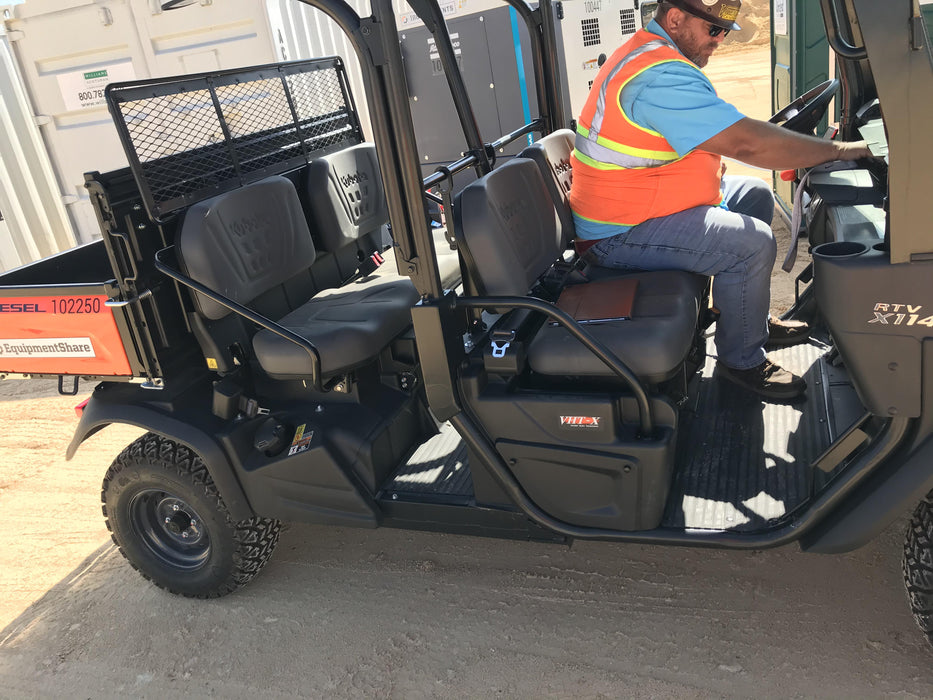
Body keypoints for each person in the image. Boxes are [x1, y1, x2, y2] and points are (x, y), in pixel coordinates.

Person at [568, 0, 874, 401]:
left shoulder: (658, 57)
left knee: (756, 195)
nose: (719, 41)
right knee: (751, 244)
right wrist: (838, 151)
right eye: (712, 30)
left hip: (648, 204)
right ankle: (742, 361)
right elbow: (744, 142)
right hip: (620, 231)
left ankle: (744, 317)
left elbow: (727, 134)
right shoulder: (656, 75)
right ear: (674, 19)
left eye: (724, 33)